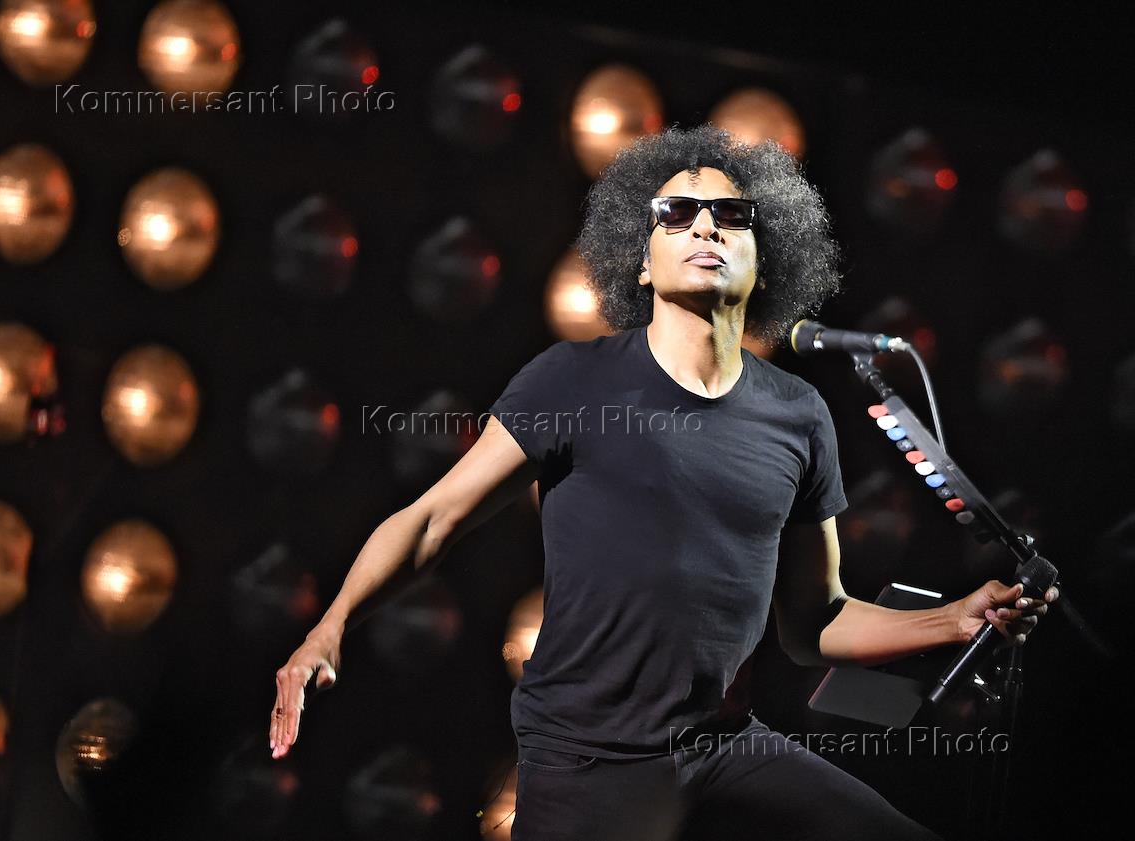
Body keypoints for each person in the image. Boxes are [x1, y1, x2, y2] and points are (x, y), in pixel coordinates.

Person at [267, 125, 1057, 840]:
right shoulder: (572, 380)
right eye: (676, 214)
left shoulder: (799, 414)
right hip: (588, 762)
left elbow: (815, 619)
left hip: (724, 747)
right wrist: (327, 627)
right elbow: (432, 518)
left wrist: (954, 619)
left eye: (731, 216)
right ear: (641, 262)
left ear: (762, 262)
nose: (705, 227)